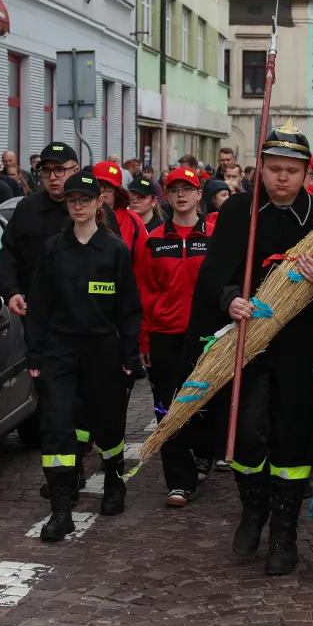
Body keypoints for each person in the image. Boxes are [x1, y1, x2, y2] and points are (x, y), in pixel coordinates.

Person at [185, 125, 313, 577]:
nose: (282, 179)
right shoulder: (239, 212)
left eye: (291, 171)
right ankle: (253, 510)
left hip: (301, 346)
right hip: (249, 345)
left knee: (292, 437)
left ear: (307, 172)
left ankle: (284, 534)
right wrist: (229, 296)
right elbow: (214, 274)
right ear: (262, 168)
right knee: (246, 431)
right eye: (274, 169)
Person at [26, 168, 142, 539]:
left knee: (107, 423)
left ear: (98, 204)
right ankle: (61, 509)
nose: (77, 206)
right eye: (72, 200)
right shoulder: (53, 250)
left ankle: (114, 479)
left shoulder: (114, 250)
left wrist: (129, 354)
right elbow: (39, 305)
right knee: (57, 426)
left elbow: (129, 308)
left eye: (84, 200)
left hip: (103, 349)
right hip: (60, 349)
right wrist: (35, 354)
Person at [136, 166, 215, 507]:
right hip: (165, 336)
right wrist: (144, 341)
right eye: (174, 189)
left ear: (200, 194)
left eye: (188, 188)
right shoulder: (153, 240)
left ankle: (203, 452)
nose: (181, 195)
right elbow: (142, 292)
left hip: (206, 337)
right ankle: (178, 482)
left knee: (205, 403)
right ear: (166, 198)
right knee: (167, 408)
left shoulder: (215, 235)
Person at [0, 143, 78, 320]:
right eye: (47, 171)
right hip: (37, 311)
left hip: (82, 314)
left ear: (75, 170)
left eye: (59, 170)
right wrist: (11, 292)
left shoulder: (93, 209)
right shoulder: (27, 208)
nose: (52, 177)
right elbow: (9, 253)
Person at [92, 160, 150, 266]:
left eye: (108, 185)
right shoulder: (81, 218)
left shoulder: (132, 220)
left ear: (117, 190)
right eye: (98, 184)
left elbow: (143, 264)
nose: (102, 190)